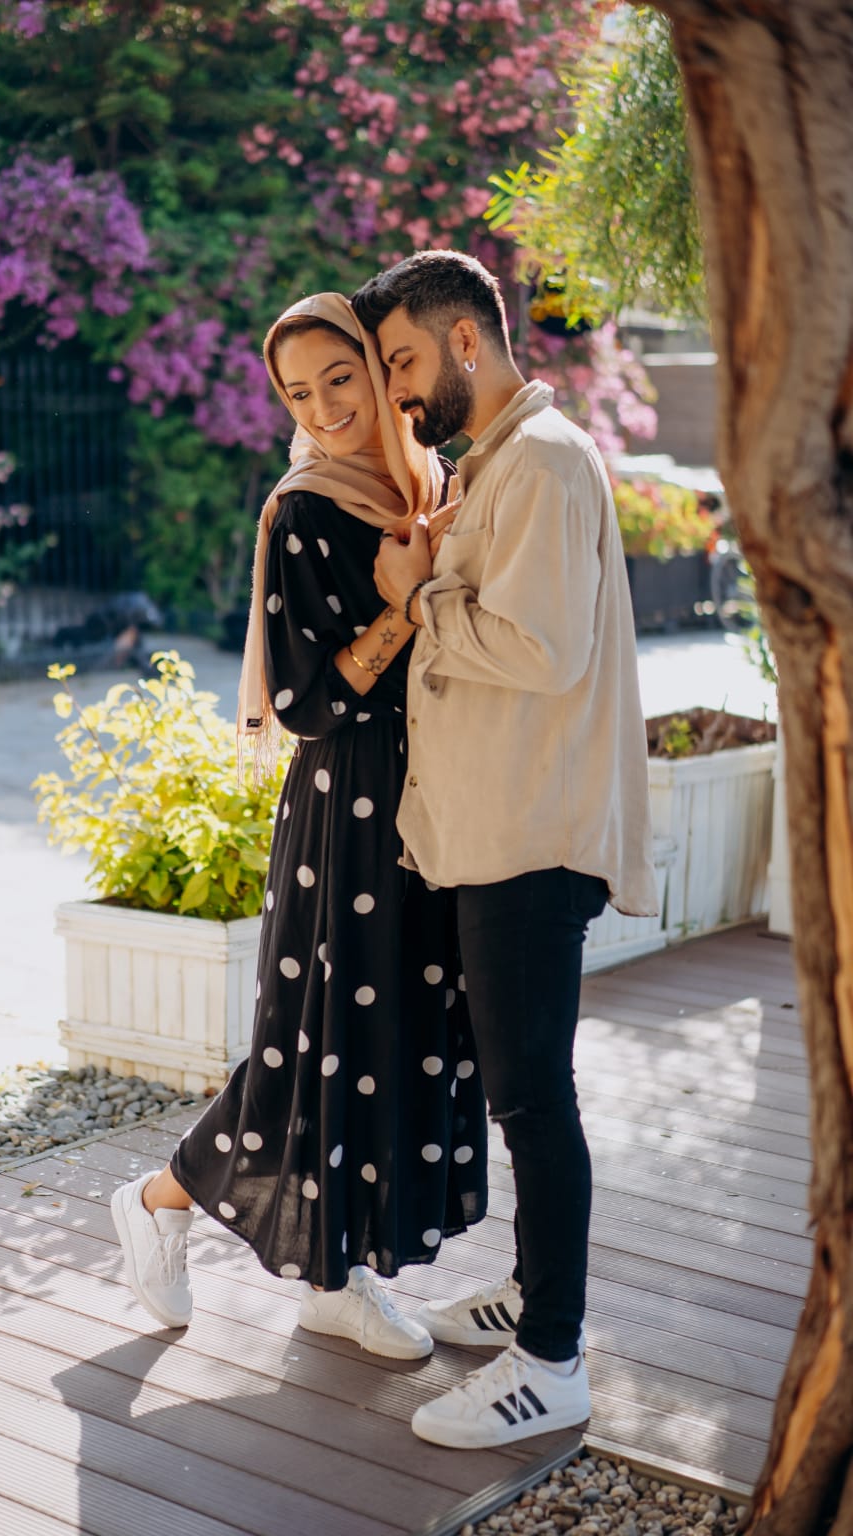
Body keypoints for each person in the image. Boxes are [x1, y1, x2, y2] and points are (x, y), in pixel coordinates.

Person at [111, 292, 488, 1361]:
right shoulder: (305, 510)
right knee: (317, 1045)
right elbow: (307, 704)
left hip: (435, 796)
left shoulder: (431, 484)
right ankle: (176, 1204)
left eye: (340, 377)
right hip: (350, 809)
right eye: (297, 392)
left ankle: (333, 1269)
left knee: (397, 1033)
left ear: (379, 371)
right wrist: (402, 604)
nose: (323, 407)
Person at [351, 251, 658, 1445]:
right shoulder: (502, 462)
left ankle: (552, 1360)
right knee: (520, 1090)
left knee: (532, 1098)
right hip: (501, 830)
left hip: (533, 837)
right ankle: (535, 1294)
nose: (396, 389)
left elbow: (538, 650)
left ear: (467, 341)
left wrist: (415, 595)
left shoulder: (540, 461)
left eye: (403, 360)